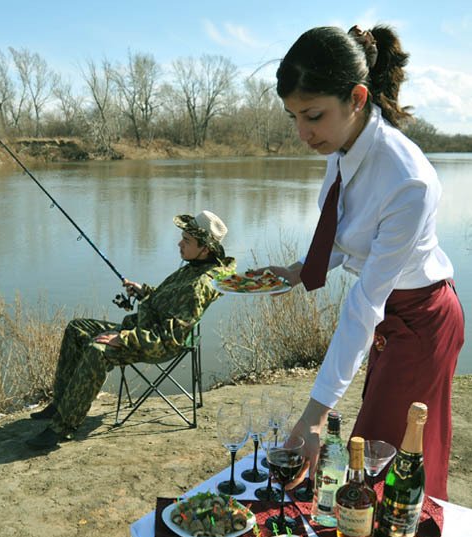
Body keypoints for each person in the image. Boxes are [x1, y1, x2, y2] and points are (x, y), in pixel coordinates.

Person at [262, 25, 464, 499]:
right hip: (393, 315)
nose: (302, 133)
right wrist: (297, 271)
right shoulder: (343, 145)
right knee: (371, 454)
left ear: (356, 97)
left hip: (423, 320)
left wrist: (313, 414)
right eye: (293, 117)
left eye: (312, 115)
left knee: (385, 465)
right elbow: (345, 231)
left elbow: (364, 304)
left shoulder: (406, 180)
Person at [26, 210, 235, 451]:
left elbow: (169, 339)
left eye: (186, 241)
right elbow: (169, 302)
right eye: (182, 237)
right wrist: (144, 291)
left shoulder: (198, 284)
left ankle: (62, 428)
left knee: (98, 350)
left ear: (205, 249)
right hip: (143, 329)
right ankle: (61, 402)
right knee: (77, 328)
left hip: (155, 344)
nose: (179, 243)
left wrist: (122, 338)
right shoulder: (194, 266)